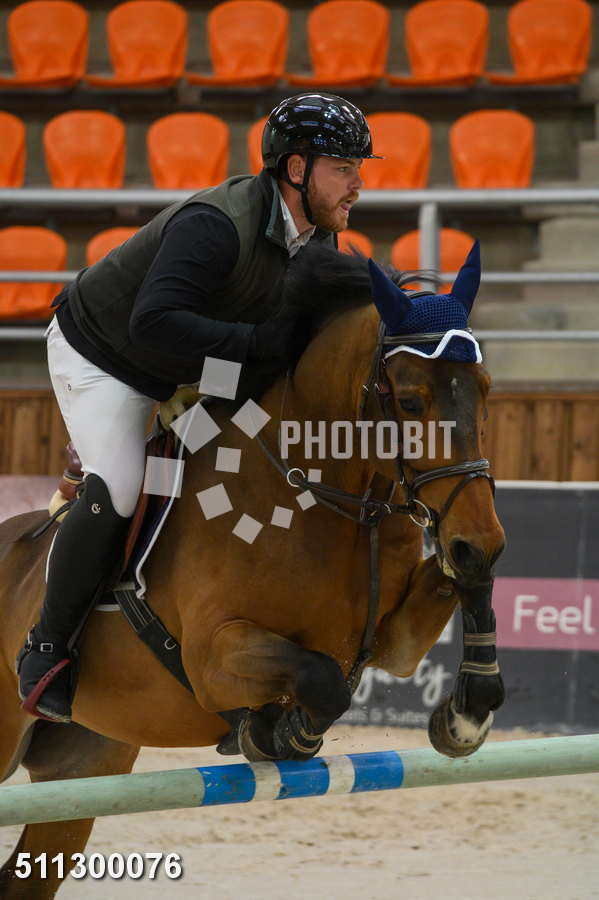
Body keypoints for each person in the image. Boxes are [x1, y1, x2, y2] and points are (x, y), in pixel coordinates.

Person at [17, 92, 380, 723]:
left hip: (187, 364)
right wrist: (258, 346)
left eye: (358, 169)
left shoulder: (318, 237)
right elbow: (153, 322)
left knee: (238, 457)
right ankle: (47, 645)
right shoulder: (214, 224)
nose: (358, 184)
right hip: (105, 355)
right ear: (296, 169)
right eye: (343, 168)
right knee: (122, 484)